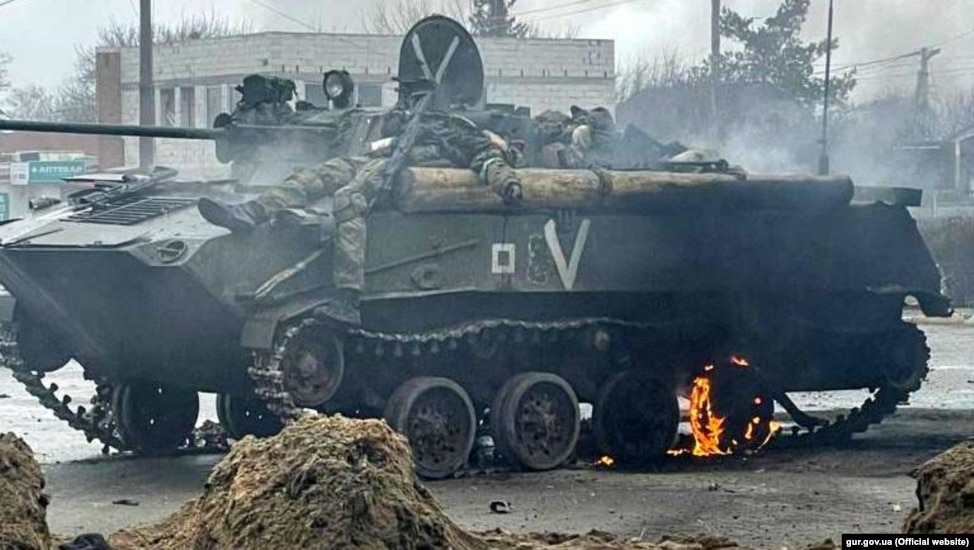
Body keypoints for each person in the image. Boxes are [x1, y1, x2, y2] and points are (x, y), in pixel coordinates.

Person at [197, 107, 523, 325]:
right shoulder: (432, 125)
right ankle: (252, 212)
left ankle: (349, 296)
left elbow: (493, 166)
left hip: (405, 174)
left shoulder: (475, 143)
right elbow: (382, 145)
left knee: (348, 199)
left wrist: (509, 185)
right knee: (316, 175)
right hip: (380, 160)